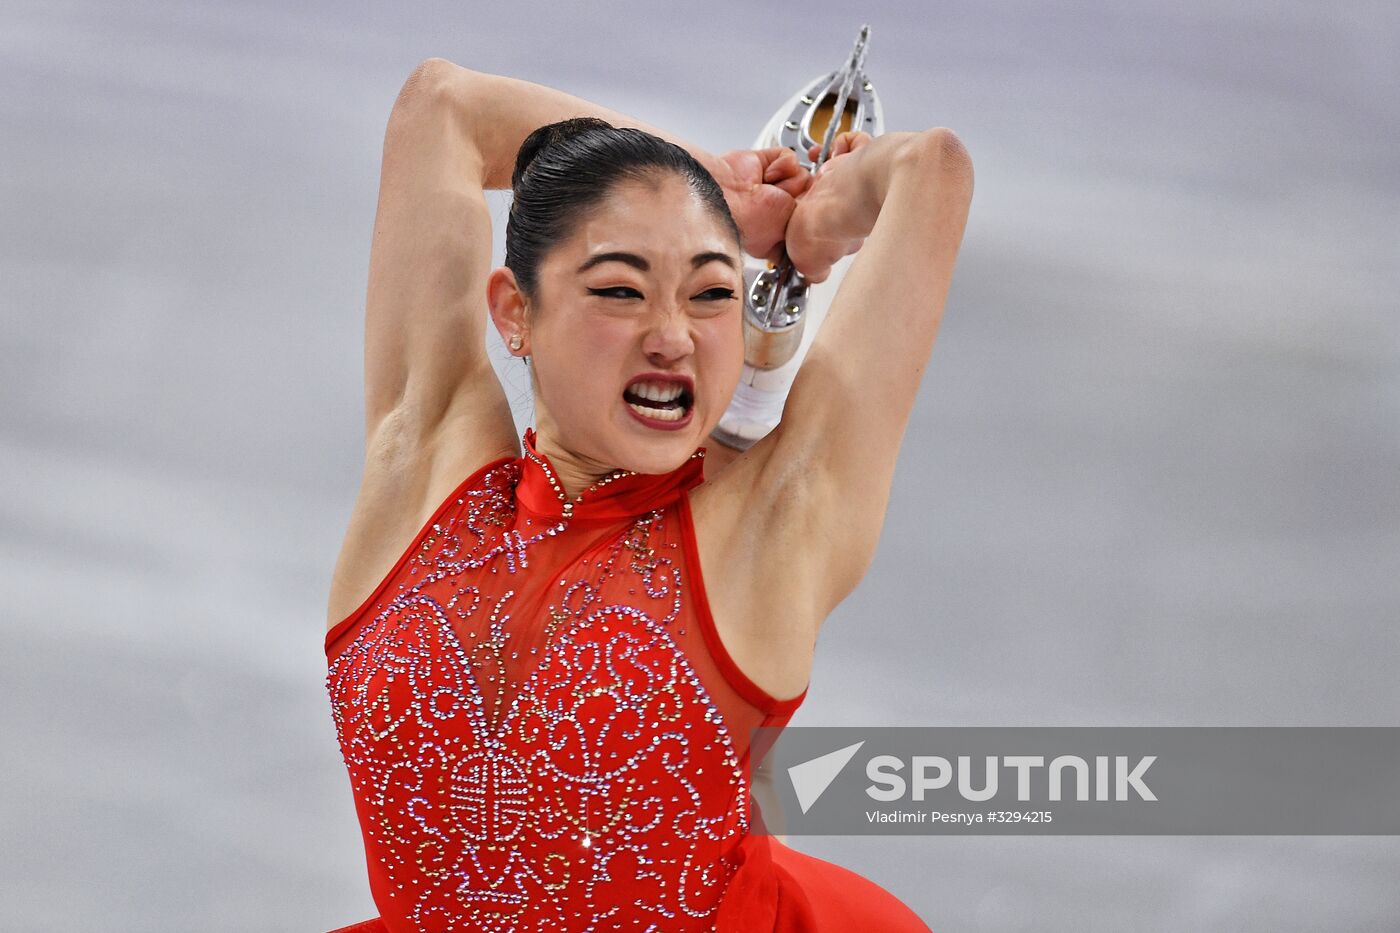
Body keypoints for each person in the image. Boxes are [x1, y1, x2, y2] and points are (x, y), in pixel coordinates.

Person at [322, 57, 973, 933]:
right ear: (514, 311)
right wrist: (703, 182)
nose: (672, 336)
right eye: (621, 290)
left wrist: (829, 217)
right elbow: (444, 108)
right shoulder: (424, 456)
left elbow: (929, 172)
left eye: (711, 294)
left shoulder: (768, 529)